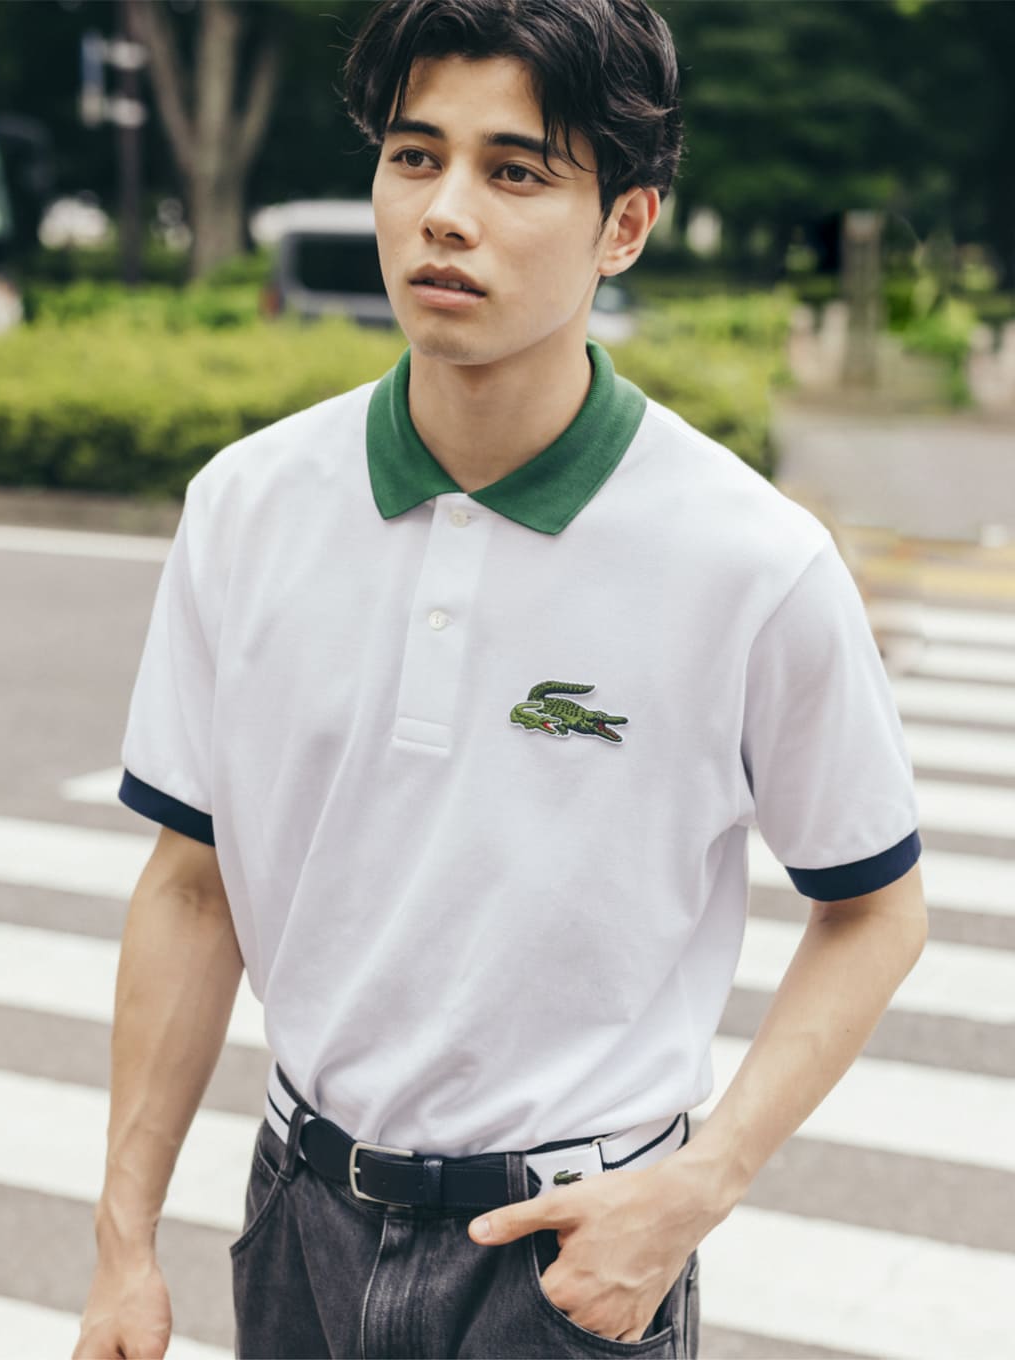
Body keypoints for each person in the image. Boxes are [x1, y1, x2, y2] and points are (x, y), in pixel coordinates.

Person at [74, 2, 928, 1357]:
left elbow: (876, 909)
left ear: (625, 225)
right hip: (298, 1216)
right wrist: (124, 1245)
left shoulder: (751, 561)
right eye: (414, 157)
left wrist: (694, 1191)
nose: (445, 213)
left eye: (515, 171)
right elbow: (191, 884)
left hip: (571, 1252)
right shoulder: (248, 505)